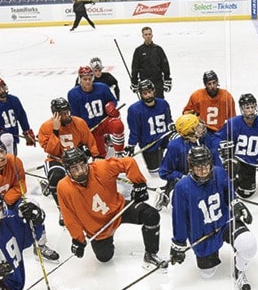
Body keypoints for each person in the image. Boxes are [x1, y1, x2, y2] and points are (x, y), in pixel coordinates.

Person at [57, 147, 167, 268]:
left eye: (82, 165)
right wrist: (78, 239)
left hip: (119, 210)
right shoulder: (64, 187)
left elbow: (128, 162)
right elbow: (69, 215)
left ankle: (151, 254)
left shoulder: (101, 167)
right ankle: (107, 241)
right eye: (74, 169)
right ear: (67, 171)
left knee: (151, 215)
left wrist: (139, 183)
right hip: (98, 227)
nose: (81, 171)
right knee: (104, 257)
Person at [170, 146, 257, 290]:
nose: (203, 171)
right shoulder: (182, 187)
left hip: (225, 222)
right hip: (202, 232)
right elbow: (179, 217)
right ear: (191, 166)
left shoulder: (219, 172)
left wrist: (236, 204)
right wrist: (178, 243)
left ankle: (239, 270)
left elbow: (229, 193)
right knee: (207, 274)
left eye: (206, 166)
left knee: (248, 244)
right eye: (198, 167)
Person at [0, 137, 59, 261]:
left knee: (33, 208)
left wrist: (5, 202)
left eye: (2, 150)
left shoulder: (14, 162)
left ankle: (40, 245)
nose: (2, 156)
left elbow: (21, 185)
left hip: (10, 202)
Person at [38, 97, 99, 225]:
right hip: (56, 159)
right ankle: (62, 209)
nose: (65, 116)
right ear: (54, 114)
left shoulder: (79, 123)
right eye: (60, 113)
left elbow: (89, 140)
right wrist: (55, 131)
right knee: (56, 176)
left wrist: (95, 155)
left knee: (87, 177)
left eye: (66, 112)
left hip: (75, 160)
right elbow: (51, 151)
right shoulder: (46, 127)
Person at [215, 93, 258, 198]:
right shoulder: (233, 123)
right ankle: (227, 183)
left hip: (251, 164)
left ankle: (238, 182)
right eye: (247, 107)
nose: (251, 110)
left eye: (252, 107)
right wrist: (221, 145)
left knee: (246, 193)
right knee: (229, 170)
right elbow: (216, 138)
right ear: (242, 109)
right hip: (235, 160)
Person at [159, 113, 223, 208]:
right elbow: (164, 172)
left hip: (204, 175)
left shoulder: (205, 138)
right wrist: (183, 177)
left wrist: (218, 176)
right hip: (186, 178)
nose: (201, 127)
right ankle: (167, 192)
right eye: (197, 127)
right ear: (189, 132)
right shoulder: (175, 146)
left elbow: (215, 159)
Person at [67, 65, 125, 158]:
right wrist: (82, 134)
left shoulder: (103, 88)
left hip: (104, 121)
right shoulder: (73, 94)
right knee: (99, 155)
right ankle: (104, 142)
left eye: (90, 79)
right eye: (85, 79)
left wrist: (111, 105)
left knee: (118, 125)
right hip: (90, 129)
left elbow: (113, 100)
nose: (88, 81)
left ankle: (119, 153)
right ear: (80, 79)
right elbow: (75, 117)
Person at [124, 79, 174, 177]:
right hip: (149, 144)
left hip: (165, 138)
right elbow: (135, 131)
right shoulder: (134, 110)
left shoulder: (163, 103)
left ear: (154, 91)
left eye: (150, 92)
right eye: (145, 93)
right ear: (140, 94)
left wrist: (172, 127)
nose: (148, 96)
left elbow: (169, 121)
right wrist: (131, 145)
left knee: (173, 163)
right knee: (155, 174)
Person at [0, 77, 37, 156]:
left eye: (3, 86)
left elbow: (21, 116)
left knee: (11, 159)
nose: (2, 90)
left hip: (13, 137)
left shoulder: (14, 100)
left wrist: (26, 131)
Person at [130, 26, 172, 98]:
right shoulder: (138, 50)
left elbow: (165, 65)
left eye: (149, 34)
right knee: (145, 105)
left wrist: (167, 79)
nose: (148, 36)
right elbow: (135, 68)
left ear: (152, 35)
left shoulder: (158, 49)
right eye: (146, 35)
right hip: (144, 83)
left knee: (159, 103)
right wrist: (134, 82)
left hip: (158, 82)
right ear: (143, 36)